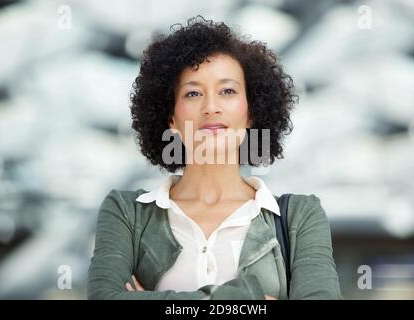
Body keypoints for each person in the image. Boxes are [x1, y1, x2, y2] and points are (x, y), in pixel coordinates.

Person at [87, 15, 342, 300]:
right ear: (170, 117)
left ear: (251, 113)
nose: (211, 106)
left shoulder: (299, 216)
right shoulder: (126, 213)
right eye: (193, 93)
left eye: (227, 91)